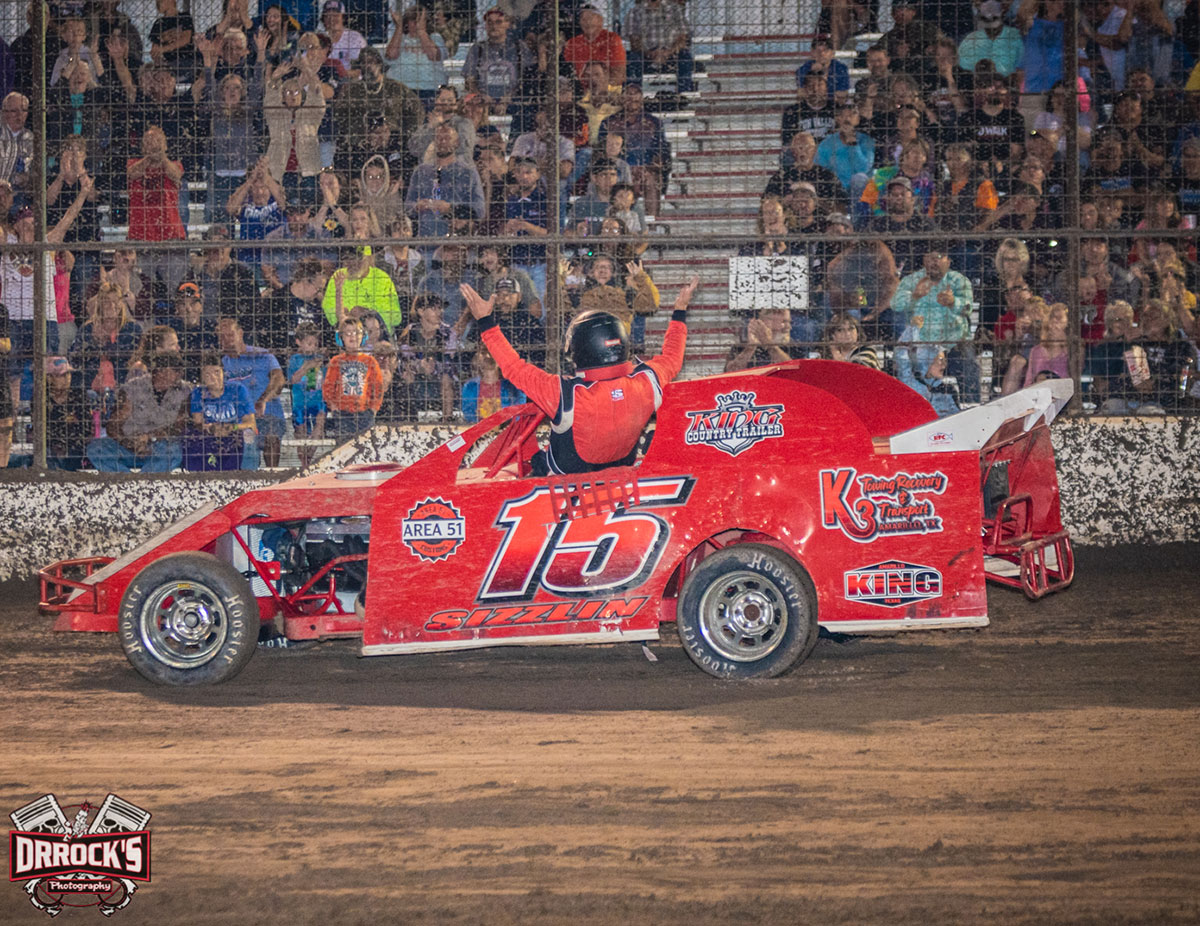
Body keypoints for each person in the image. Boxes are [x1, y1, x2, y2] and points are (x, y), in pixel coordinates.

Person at [460, 275, 698, 475]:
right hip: (618, 476)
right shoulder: (646, 381)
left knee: (530, 463)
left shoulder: (566, 393)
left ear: (580, 351)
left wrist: (486, 322)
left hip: (562, 488)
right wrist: (680, 311)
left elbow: (514, 368)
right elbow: (673, 358)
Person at [87, 351, 191, 472]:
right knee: (96, 449)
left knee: (174, 451)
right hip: (127, 446)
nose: (179, 375)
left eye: (179, 371)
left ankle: (145, 482)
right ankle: (126, 481)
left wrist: (151, 437)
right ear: (160, 371)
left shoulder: (185, 391)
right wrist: (130, 443)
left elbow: (179, 427)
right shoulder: (133, 388)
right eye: (175, 371)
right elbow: (113, 425)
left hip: (159, 447)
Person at [186, 351, 256, 470]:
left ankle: (247, 475)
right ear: (202, 377)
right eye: (207, 374)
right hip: (210, 435)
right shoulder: (198, 393)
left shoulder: (238, 389)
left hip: (235, 433)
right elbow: (198, 422)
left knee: (248, 435)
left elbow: (251, 423)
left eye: (217, 372)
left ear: (224, 373)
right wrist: (211, 428)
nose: (213, 377)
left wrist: (231, 428)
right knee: (192, 437)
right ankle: (202, 474)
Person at [323, 315, 383, 439]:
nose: (352, 336)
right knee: (344, 447)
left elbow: (377, 387)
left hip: (364, 413)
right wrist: (333, 407)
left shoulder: (370, 361)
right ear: (341, 338)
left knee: (365, 447)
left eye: (356, 332)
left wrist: (373, 409)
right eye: (348, 333)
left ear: (363, 336)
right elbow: (328, 386)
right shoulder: (336, 361)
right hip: (343, 413)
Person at [624, 0, 694, 94]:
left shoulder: (675, 9)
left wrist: (668, 52)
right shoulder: (635, 12)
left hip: (671, 54)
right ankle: (634, 97)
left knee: (685, 57)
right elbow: (634, 41)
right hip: (646, 56)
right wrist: (649, 53)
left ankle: (683, 95)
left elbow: (683, 38)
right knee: (632, 58)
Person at [286, 321, 327, 466]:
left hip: (317, 400)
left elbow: (324, 382)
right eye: (309, 343)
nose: (313, 347)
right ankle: (304, 460)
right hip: (300, 402)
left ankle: (311, 452)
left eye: (315, 344)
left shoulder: (319, 359)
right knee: (300, 430)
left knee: (319, 423)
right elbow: (292, 380)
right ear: (299, 342)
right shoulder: (295, 360)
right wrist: (306, 367)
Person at [725, 308, 806, 372]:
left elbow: (794, 371)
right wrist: (750, 348)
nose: (789, 327)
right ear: (766, 322)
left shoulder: (794, 347)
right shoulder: (741, 347)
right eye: (784, 322)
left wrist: (769, 345)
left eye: (789, 322)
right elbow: (730, 373)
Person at [563, 4, 626, 85]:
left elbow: (619, 74)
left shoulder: (612, 39)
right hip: (580, 90)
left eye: (590, 18)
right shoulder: (572, 43)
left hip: (606, 90)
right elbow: (567, 73)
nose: (587, 22)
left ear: (600, 20)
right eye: (583, 19)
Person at [461, 344, 524, 422]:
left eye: (492, 353)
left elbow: (518, 412)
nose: (488, 356)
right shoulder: (470, 386)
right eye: (484, 352)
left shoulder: (512, 386)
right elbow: (468, 413)